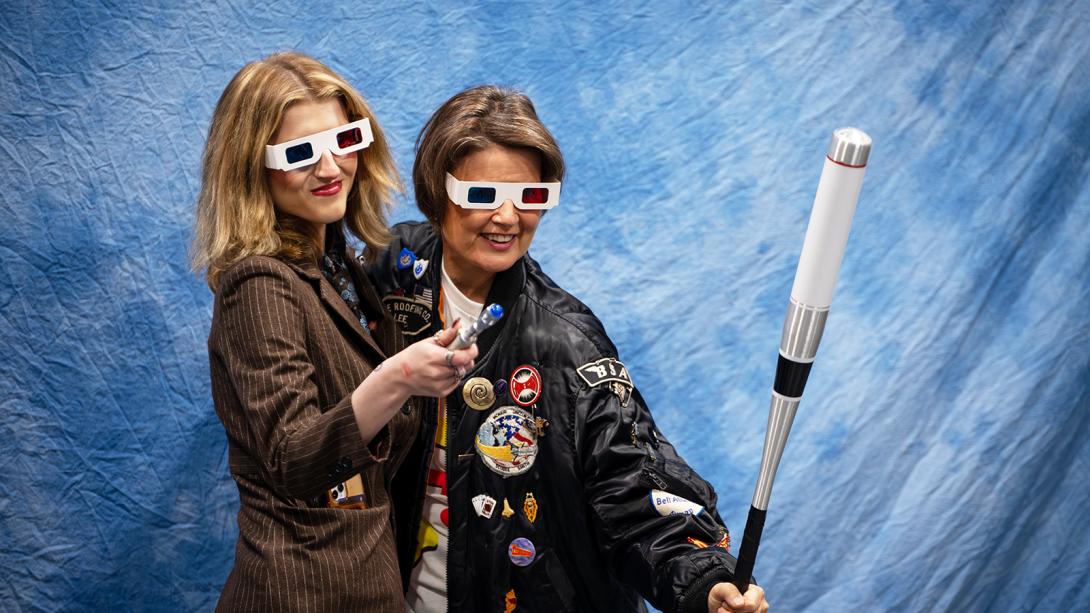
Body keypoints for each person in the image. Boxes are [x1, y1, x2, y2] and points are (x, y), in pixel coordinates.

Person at [369, 86, 769, 612]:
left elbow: (631, 483)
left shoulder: (567, 340)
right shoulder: (393, 271)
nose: (509, 218)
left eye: (531, 196)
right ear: (437, 189)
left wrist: (703, 581)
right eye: (483, 195)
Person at [190, 52, 477, 612]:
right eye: (300, 154)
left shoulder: (340, 264)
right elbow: (296, 461)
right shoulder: (259, 284)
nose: (330, 167)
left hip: (365, 577)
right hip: (305, 589)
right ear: (252, 168)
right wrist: (397, 378)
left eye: (345, 139)